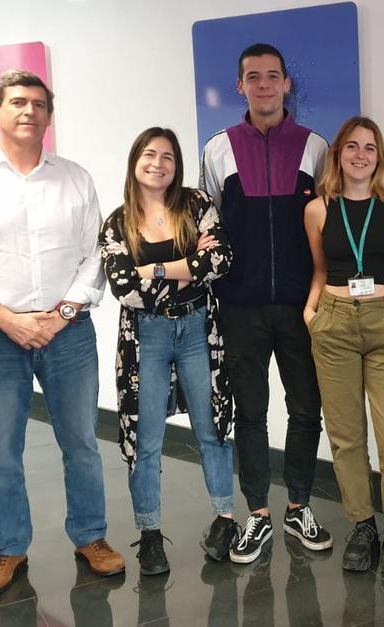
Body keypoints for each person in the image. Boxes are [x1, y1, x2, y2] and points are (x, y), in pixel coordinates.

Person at [0, 69, 124, 597]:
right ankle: (9, 550)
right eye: (17, 102)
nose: (29, 111)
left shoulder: (75, 178)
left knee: (82, 442)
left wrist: (60, 314)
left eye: (39, 104)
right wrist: (5, 317)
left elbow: (95, 255)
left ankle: (91, 537)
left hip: (68, 333)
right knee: (2, 451)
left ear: (48, 114)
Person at [199, 43, 333, 562]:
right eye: (253, 77)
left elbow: (330, 221)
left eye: (272, 76)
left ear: (286, 84)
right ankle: (257, 514)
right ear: (240, 86)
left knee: (306, 410)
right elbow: (208, 223)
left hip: (303, 306)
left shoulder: (315, 147)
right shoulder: (218, 149)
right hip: (240, 305)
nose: (264, 85)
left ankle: (299, 506)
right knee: (250, 413)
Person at [98, 127, 237, 575]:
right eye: (150, 155)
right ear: (135, 161)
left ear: (177, 166)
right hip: (147, 337)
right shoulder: (117, 222)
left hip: (199, 330)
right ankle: (151, 534)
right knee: (147, 440)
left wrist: (153, 268)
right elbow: (124, 288)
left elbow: (219, 261)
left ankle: (224, 518)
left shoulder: (196, 204)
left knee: (211, 427)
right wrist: (186, 270)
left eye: (168, 157)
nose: (158, 164)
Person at [301, 116, 384, 573]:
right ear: (338, 154)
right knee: (346, 436)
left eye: (369, 148)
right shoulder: (317, 209)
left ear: (379, 156)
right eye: (351, 146)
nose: (360, 155)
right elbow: (320, 269)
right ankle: (362, 525)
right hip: (333, 325)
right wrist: (312, 313)